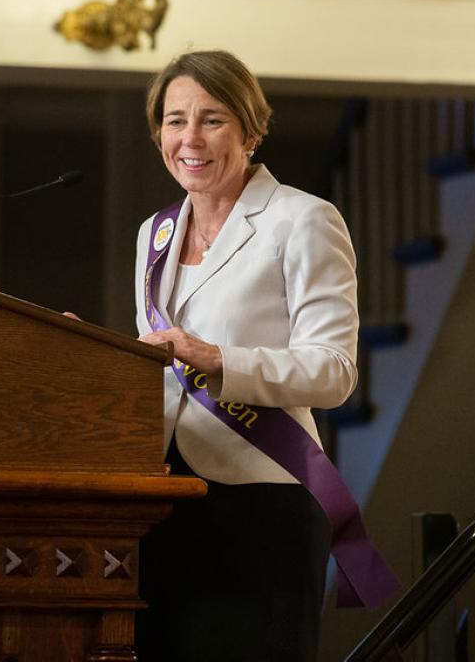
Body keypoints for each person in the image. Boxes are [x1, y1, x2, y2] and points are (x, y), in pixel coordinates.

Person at [133, 49, 365, 662]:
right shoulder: (155, 233)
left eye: (212, 119)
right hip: (161, 499)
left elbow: (334, 371)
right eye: (175, 119)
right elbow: (161, 368)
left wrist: (217, 358)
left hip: (264, 502)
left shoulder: (303, 220)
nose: (190, 138)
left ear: (252, 130)